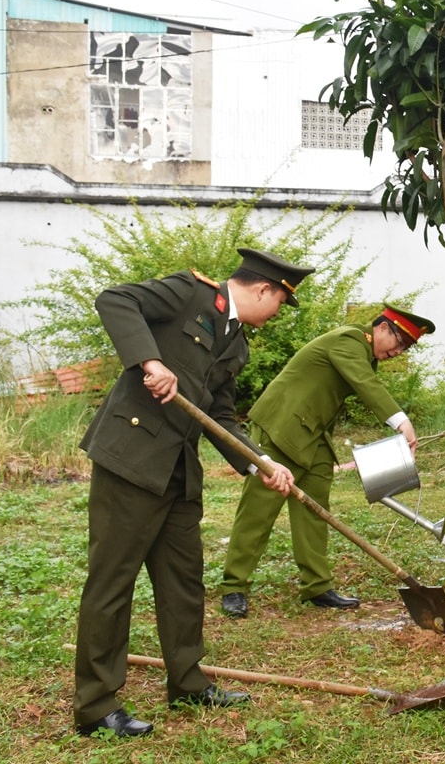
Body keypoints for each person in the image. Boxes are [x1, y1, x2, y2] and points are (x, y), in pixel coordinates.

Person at [73, 248, 314, 738]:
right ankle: (96, 705)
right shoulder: (189, 294)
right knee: (112, 584)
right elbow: (115, 300)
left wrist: (258, 462)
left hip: (178, 473)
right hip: (131, 461)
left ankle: (187, 682)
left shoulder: (238, 345)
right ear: (265, 289)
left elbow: (220, 418)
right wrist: (149, 361)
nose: (274, 317)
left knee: (184, 581)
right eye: (278, 304)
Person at [219, 304, 435, 618]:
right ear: (383, 328)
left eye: (405, 348)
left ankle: (317, 586)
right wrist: (401, 422)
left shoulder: (364, 354)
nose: (399, 352)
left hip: (313, 435)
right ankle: (234, 587)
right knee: (259, 510)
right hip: (280, 427)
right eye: (399, 342)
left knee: (314, 510)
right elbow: (365, 385)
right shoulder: (348, 340)